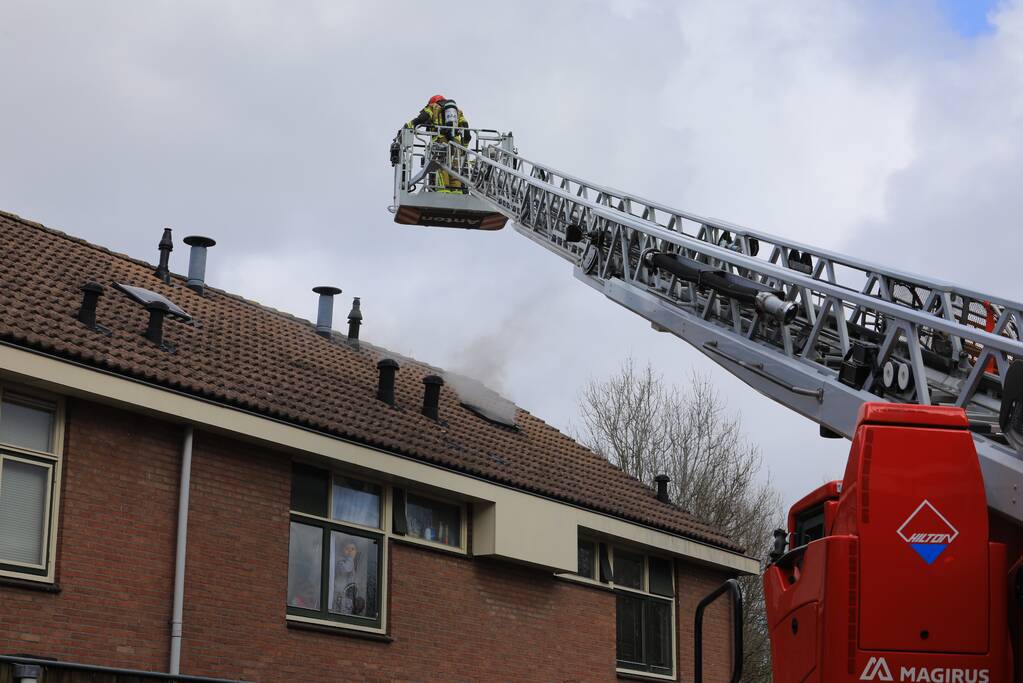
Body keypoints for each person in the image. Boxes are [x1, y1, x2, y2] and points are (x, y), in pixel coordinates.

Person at [403, 95, 471, 192]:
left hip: (440, 142)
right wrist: (463, 149)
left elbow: (420, 119)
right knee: (456, 169)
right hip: (456, 145)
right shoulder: (457, 111)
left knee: (441, 166)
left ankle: (442, 190)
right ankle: (457, 192)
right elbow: (466, 131)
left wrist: (407, 127)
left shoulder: (433, 107)